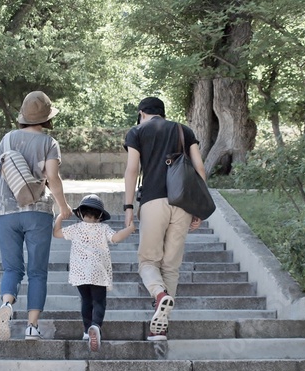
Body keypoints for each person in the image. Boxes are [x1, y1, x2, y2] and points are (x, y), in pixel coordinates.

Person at [123, 96, 205, 341]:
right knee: (171, 265)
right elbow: (200, 169)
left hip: (152, 201)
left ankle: (159, 295)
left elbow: (132, 170)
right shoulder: (184, 130)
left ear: (141, 113)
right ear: (163, 113)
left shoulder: (136, 132)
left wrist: (128, 207)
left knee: (148, 261)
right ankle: (161, 327)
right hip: (182, 203)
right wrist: (197, 207)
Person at [0, 91, 73, 341]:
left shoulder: (6, 139)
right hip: (37, 213)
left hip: (7, 213)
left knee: (12, 268)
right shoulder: (49, 143)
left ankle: (7, 304)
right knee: (37, 271)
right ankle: (31, 327)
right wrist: (63, 207)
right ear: (46, 118)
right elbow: (53, 178)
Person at [53, 194, 136, 351]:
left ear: (81, 214)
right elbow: (116, 238)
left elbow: (56, 233)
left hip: (80, 273)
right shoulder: (103, 228)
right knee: (99, 302)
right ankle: (96, 326)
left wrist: (59, 217)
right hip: (98, 272)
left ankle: (86, 330)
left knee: (86, 300)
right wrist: (130, 228)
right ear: (99, 216)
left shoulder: (75, 228)